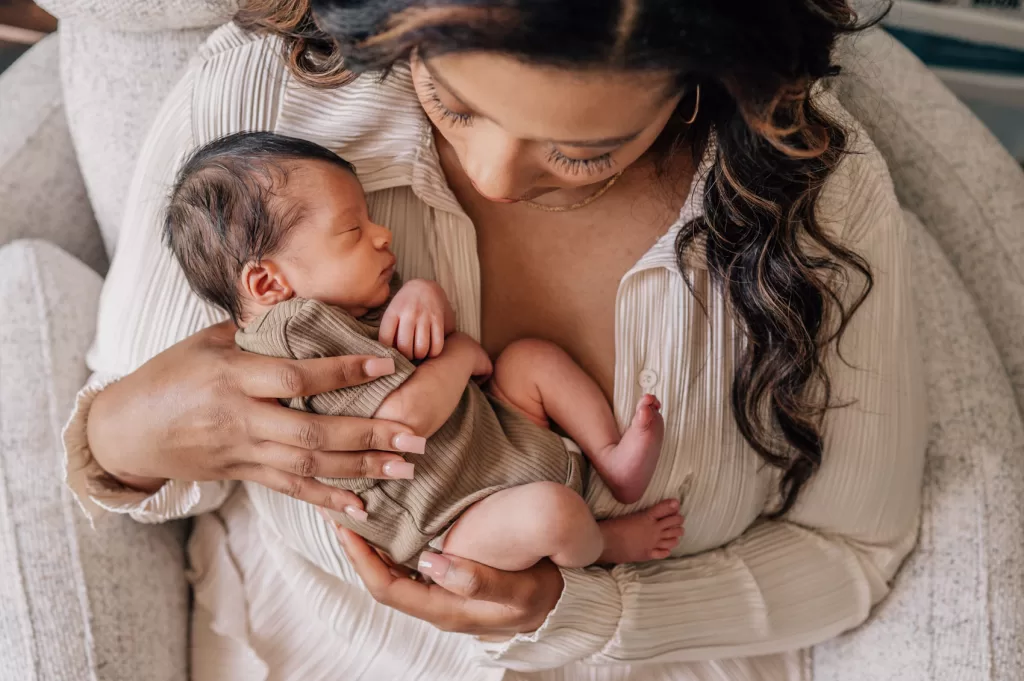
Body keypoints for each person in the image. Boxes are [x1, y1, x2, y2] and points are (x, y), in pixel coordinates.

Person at [63, 0, 927, 678]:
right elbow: (138, 477)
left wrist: (586, 610)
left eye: (583, 150)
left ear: (702, 77)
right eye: (452, 100)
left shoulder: (822, 202)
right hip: (313, 653)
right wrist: (131, 429)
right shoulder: (261, 124)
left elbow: (854, 552)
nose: (490, 176)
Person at [164, 130, 678, 570]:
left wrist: (422, 297)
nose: (383, 234)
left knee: (529, 359)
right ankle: (607, 541)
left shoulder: (339, 303)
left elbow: (418, 347)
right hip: (451, 521)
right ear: (268, 282)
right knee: (555, 515)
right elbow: (398, 429)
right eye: (353, 230)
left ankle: (612, 459)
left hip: (492, 438)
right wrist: (458, 355)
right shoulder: (293, 333)